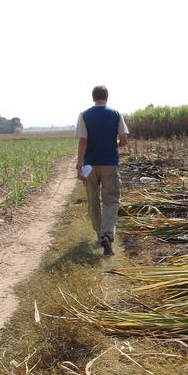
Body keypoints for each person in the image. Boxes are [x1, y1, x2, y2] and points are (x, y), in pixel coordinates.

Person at [75, 85, 129, 256]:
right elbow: (123, 140)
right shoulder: (115, 114)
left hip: (90, 165)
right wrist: (115, 145)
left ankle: (100, 235)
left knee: (93, 200)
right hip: (110, 163)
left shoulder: (84, 115)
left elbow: (83, 142)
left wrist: (79, 166)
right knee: (111, 200)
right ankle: (107, 233)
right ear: (107, 96)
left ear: (93, 97)